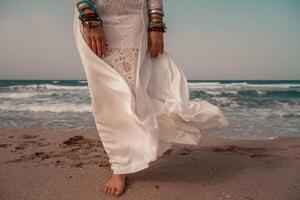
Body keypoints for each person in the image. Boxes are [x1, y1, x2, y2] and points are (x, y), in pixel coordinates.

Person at [73, 0, 229, 197]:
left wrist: (156, 22)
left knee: (135, 92)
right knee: (107, 98)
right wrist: (87, 13)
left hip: (133, 17)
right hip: (94, 14)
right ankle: (120, 167)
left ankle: (140, 145)